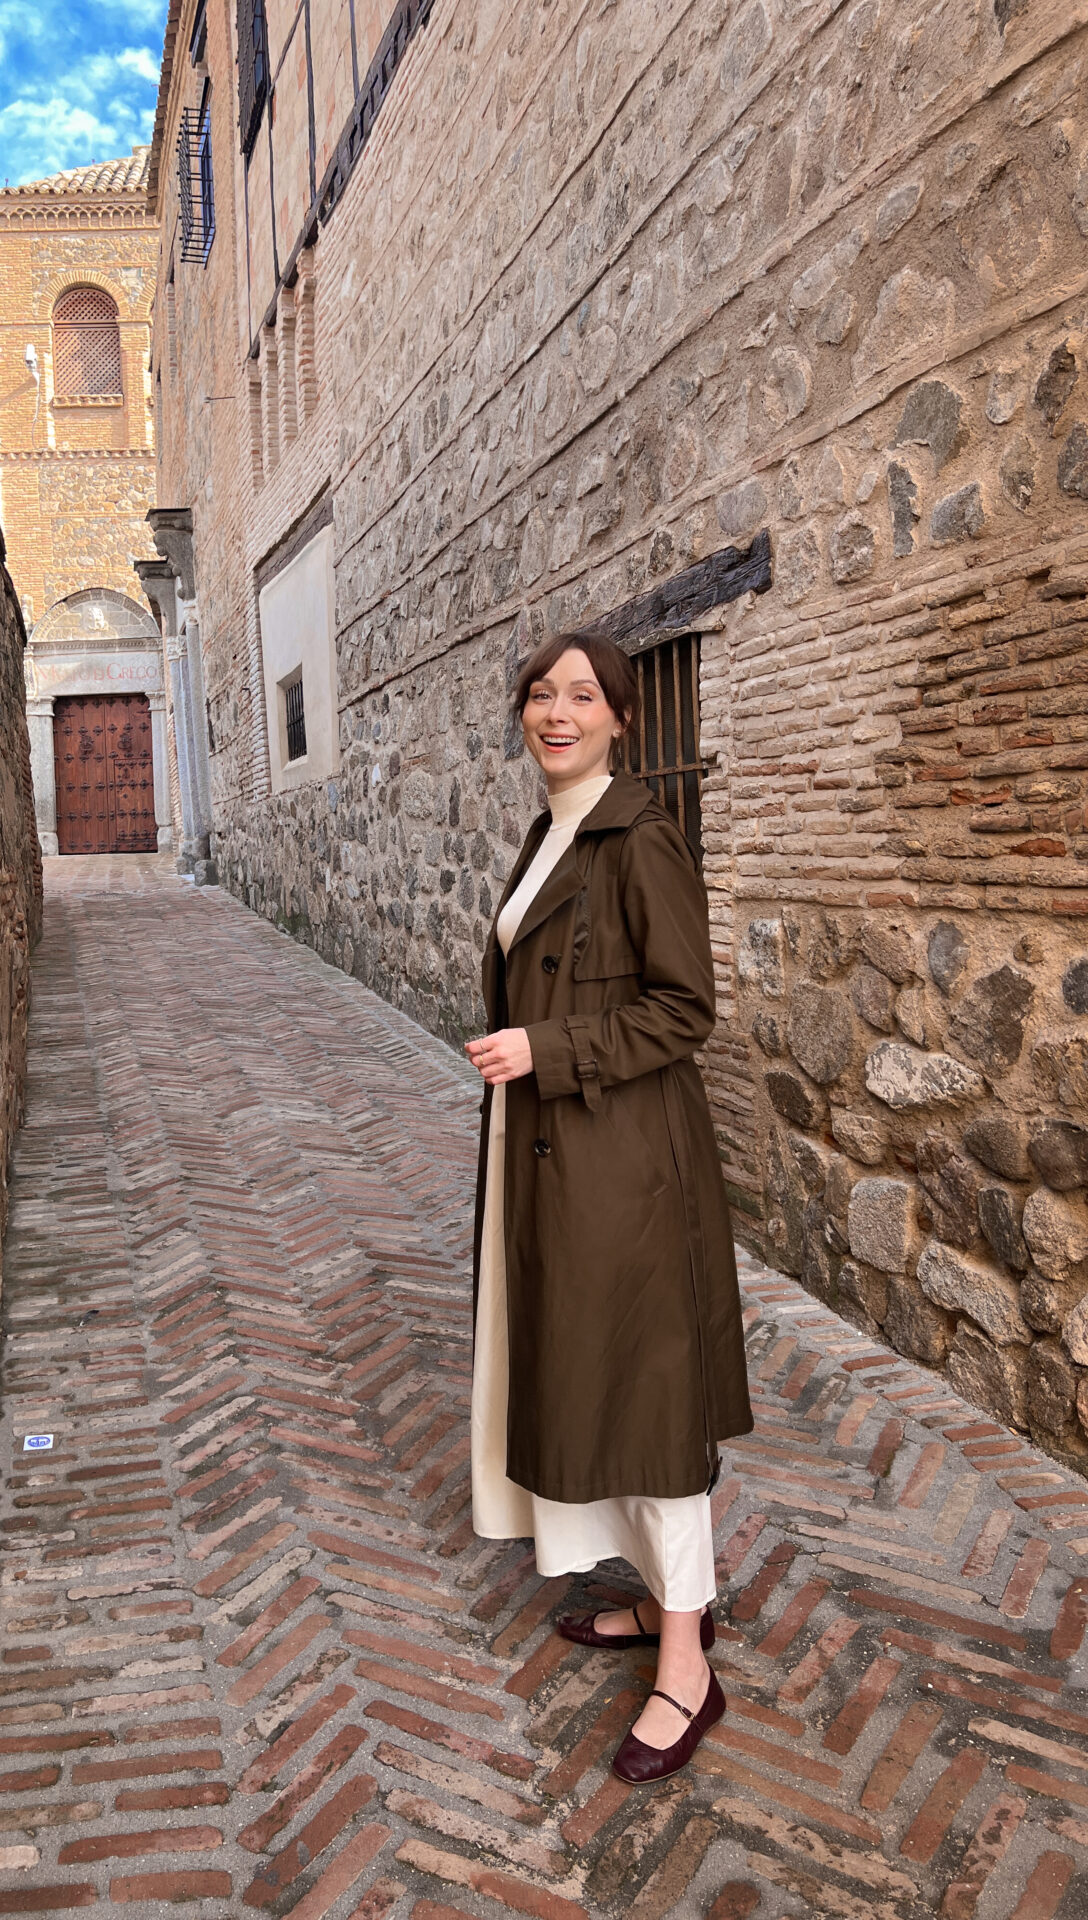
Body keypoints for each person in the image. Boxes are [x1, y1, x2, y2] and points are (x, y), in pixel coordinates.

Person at [464, 632, 753, 1784]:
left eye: (583, 695)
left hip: (624, 1165)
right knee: (588, 1377)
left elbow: (686, 1010)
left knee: (646, 1393)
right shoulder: (554, 832)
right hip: (552, 1152)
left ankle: (688, 1662)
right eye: (541, 694)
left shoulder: (640, 839)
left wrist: (548, 1045)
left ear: (622, 717)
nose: (557, 711)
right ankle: (655, 1599)